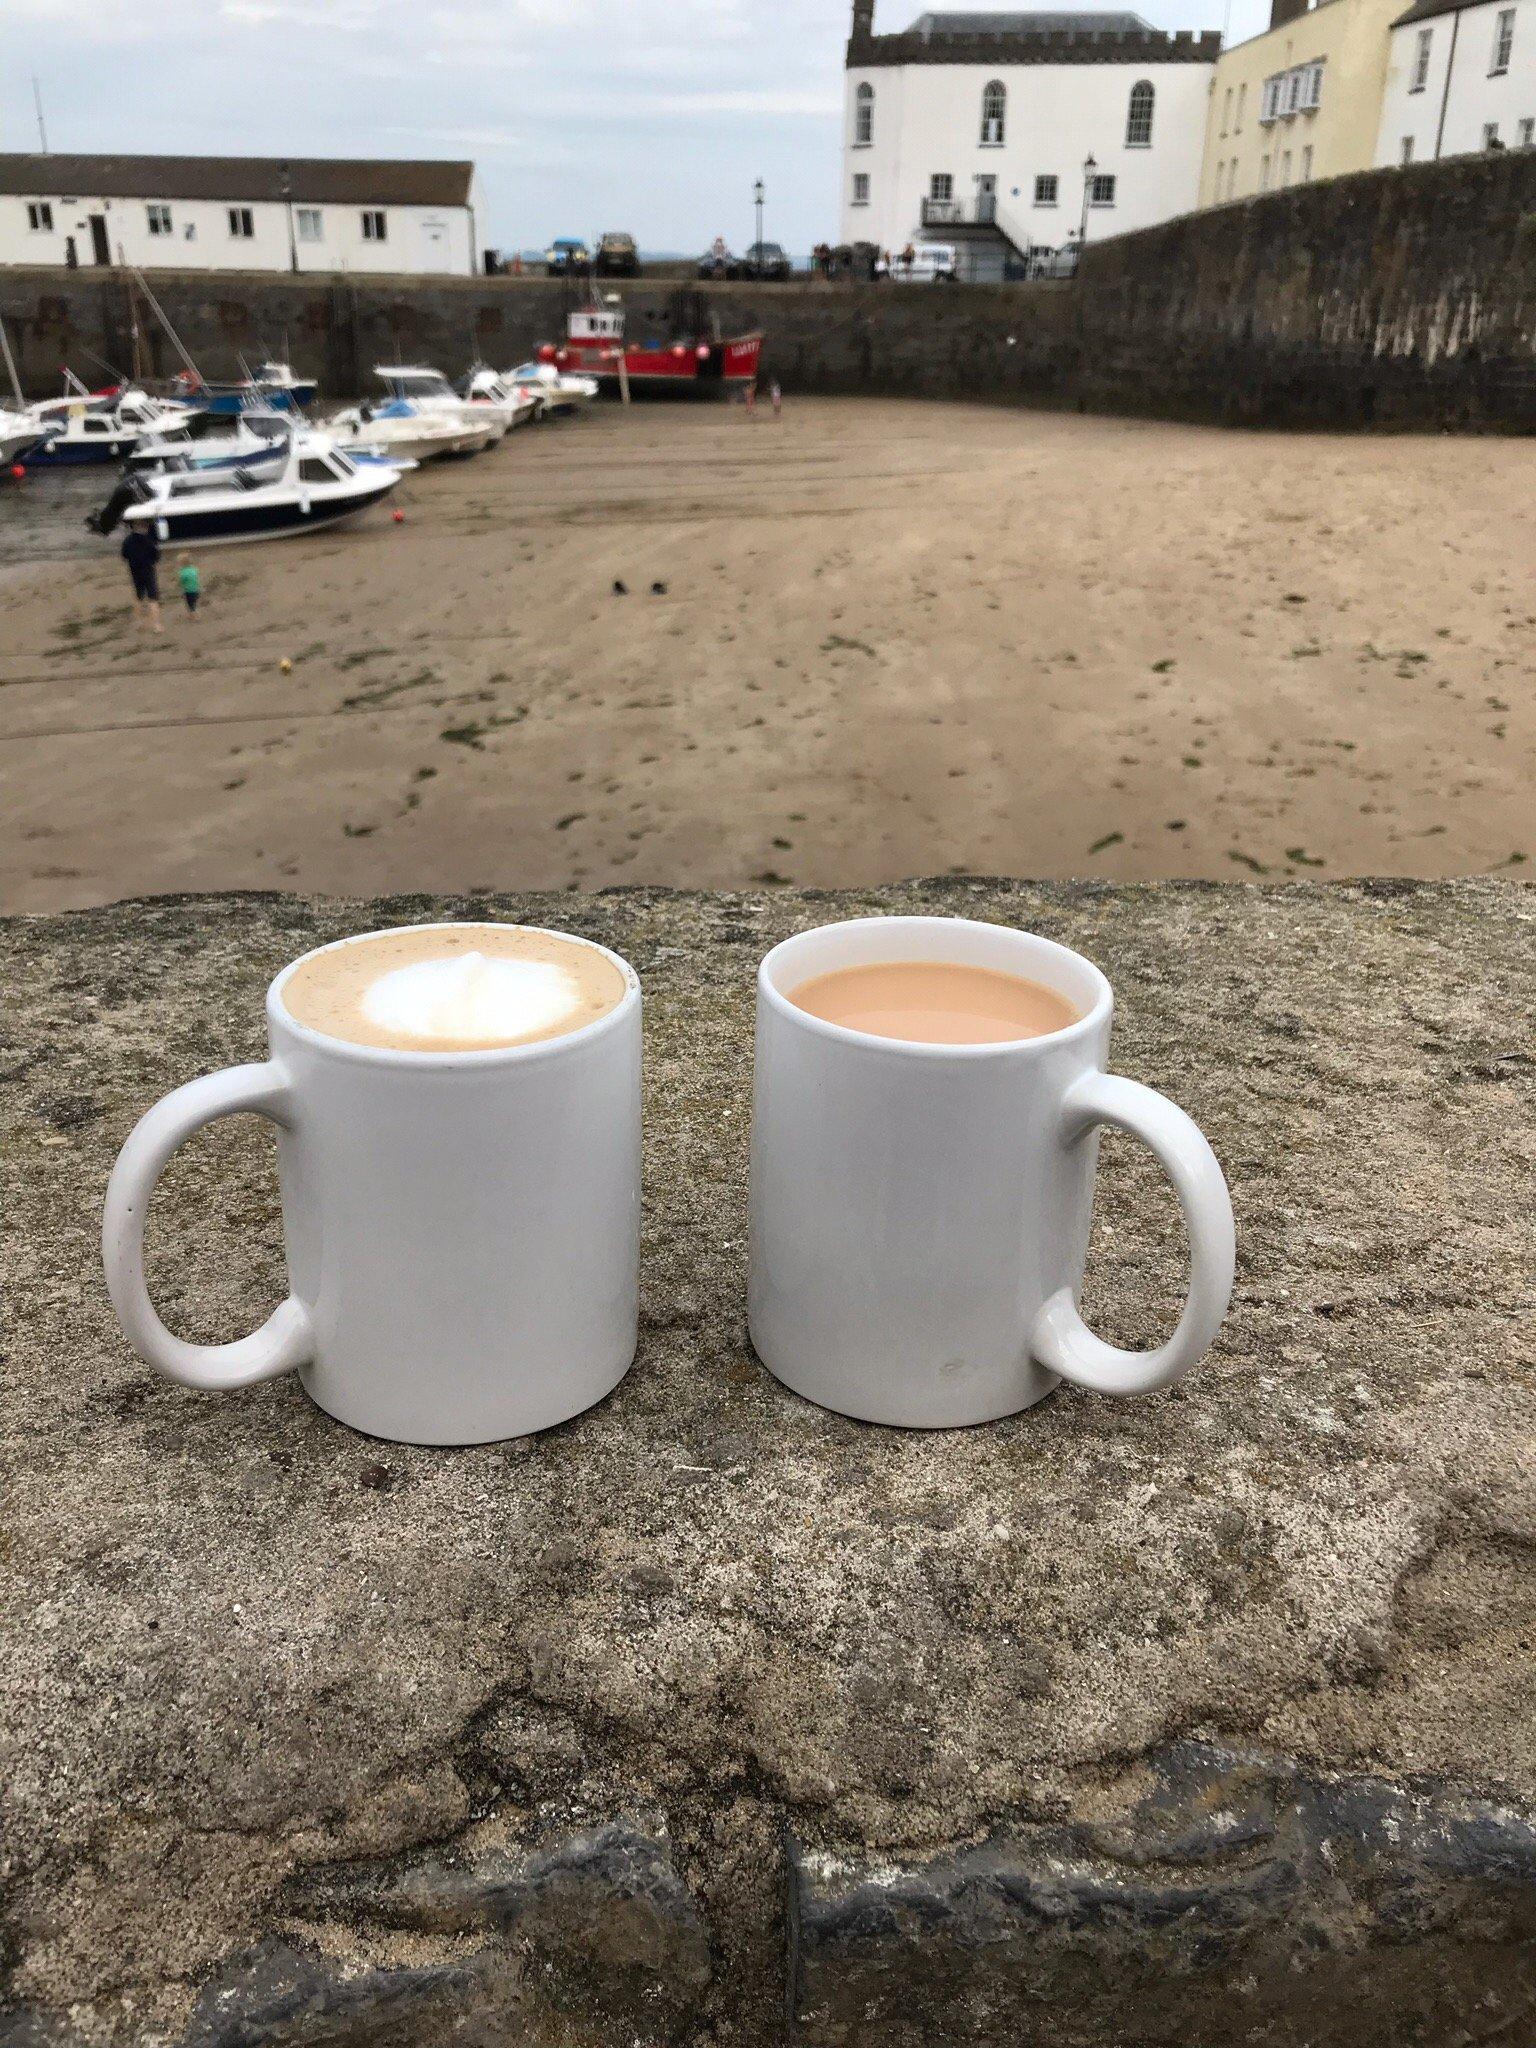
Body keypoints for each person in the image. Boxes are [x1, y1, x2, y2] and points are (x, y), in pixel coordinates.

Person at [121, 525, 162, 633]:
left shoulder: (127, 540)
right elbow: (156, 556)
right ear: (142, 528)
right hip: (148, 571)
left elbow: (124, 555)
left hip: (135, 571)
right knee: (153, 598)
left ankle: (139, 623)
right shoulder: (148, 540)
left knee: (139, 597)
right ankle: (156, 625)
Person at [177, 553, 202, 617]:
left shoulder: (183, 572)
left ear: (181, 564)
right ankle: (193, 613)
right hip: (196, 590)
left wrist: (179, 585)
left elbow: (181, 582)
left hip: (188, 591)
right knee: (194, 603)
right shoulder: (194, 569)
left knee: (189, 604)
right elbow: (197, 578)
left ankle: (194, 616)